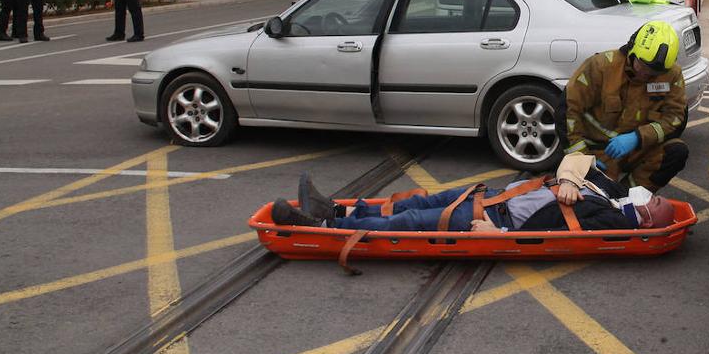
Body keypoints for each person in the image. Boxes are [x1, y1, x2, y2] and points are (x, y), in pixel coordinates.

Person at [270, 153, 676, 233]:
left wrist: (497, 238)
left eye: (659, 208)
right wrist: (569, 180)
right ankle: (337, 212)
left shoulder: (610, 221)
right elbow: (579, 157)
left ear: (647, 220)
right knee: (417, 201)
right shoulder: (614, 195)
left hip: (494, 219)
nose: (657, 200)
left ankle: (320, 224)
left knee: (409, 221)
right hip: (495, 196)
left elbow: (552, 236)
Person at [563, 20, 688, 192]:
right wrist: (583, 160)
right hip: (599, 151)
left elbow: (675, 118)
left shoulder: (671, 74)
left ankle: (630, 194)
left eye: (654, 72)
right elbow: (568, 112)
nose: (646, 74)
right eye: (642, 66)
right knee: (597, 196)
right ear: (632, 50)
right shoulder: (602, 67)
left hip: (638, 148)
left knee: (676, 152)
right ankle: (612, 195)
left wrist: (637, 137)